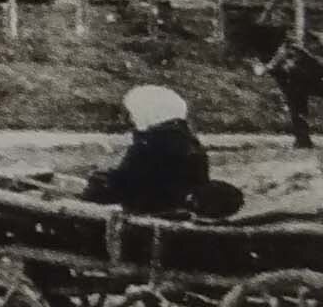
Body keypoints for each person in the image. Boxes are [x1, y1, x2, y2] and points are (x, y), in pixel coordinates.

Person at [81, 85, 243, 220]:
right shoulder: (191, 143)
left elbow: (125, 186)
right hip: (180, 214)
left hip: (151, 218)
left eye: (132, 113)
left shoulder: (149, 146)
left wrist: (95, 186)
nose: (130, 120)